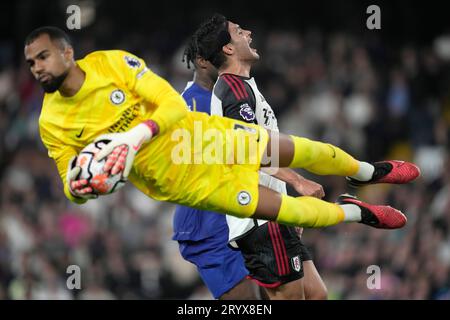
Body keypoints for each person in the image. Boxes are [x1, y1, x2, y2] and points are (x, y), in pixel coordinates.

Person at [25, 26, 420, 249]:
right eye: (30, 63)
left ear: (67, 52)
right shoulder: (52, 123)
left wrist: (132, 139)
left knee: (304, 149)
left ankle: (367, 172)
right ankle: (357, 211)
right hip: (186, 182)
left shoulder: (112, 63)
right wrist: (90, 184)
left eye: (42, 57)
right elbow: (70, 184)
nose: (36, 68)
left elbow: (173, 106)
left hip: (203, 137)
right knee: (292, 213)